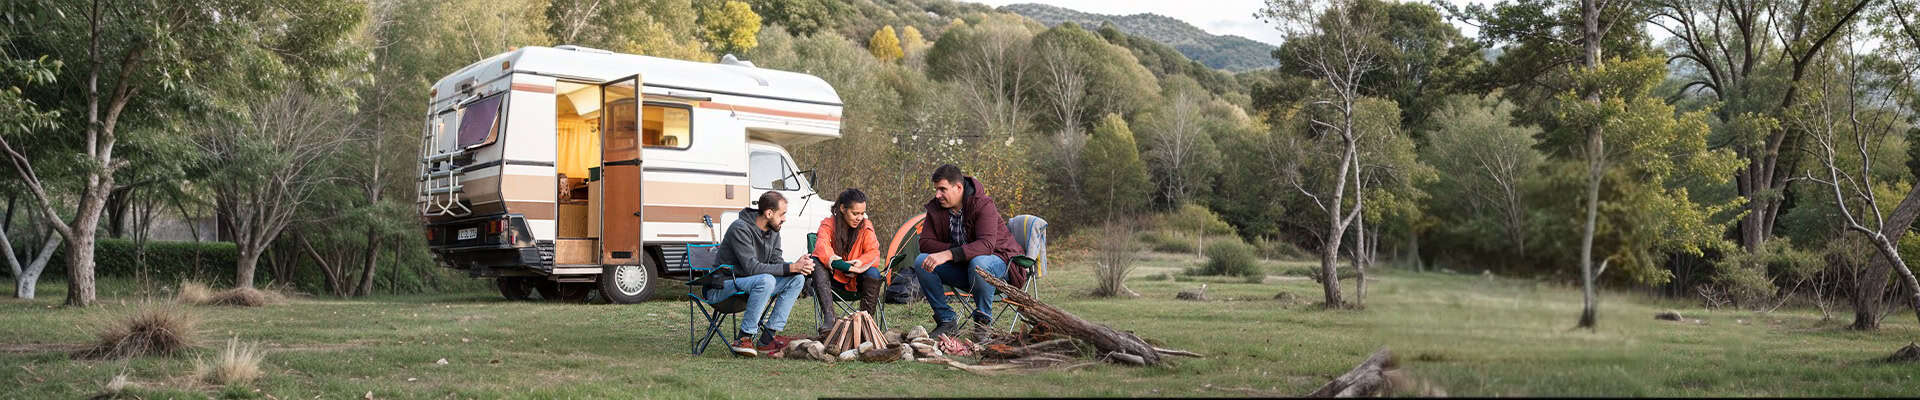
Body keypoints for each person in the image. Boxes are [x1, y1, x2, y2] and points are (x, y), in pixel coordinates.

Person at [914, 164, 1025, 339]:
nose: (937, 195)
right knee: (922, 261)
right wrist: (955, 251)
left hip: (999, 264)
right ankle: (947, 321)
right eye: (936, 190)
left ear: (958, 187)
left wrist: (949, 254)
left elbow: (986, 245)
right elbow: (925, 243)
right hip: (965, 268)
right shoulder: (936, 208)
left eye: (942, 189)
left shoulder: (982, 204)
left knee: (979, 262)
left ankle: (982, 324)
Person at [710, 191, 816, 357]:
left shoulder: (773, 231)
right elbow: (751, 268)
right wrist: (792, 267)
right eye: (782, 214)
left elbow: (776, 263)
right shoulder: (740, 228)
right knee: (766, 280)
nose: (784, 219)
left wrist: (798, 265)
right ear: (769, 213)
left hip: (752, 286)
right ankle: (744, 338)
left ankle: (768, 337)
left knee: (796, 279)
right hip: (722, 287)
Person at [807, 189, 885, 326]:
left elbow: (873, 252)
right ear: (843, 208)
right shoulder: (828, 224)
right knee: (815, 261)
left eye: (862, 213)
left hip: (858, 280)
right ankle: (829, 319)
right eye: (855, 213)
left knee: (873, 273)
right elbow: (822, 247)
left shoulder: (866, 226)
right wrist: (844, 266)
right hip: (833, 279)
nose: (859, 218)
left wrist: (859, 263)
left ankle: (865, 323)